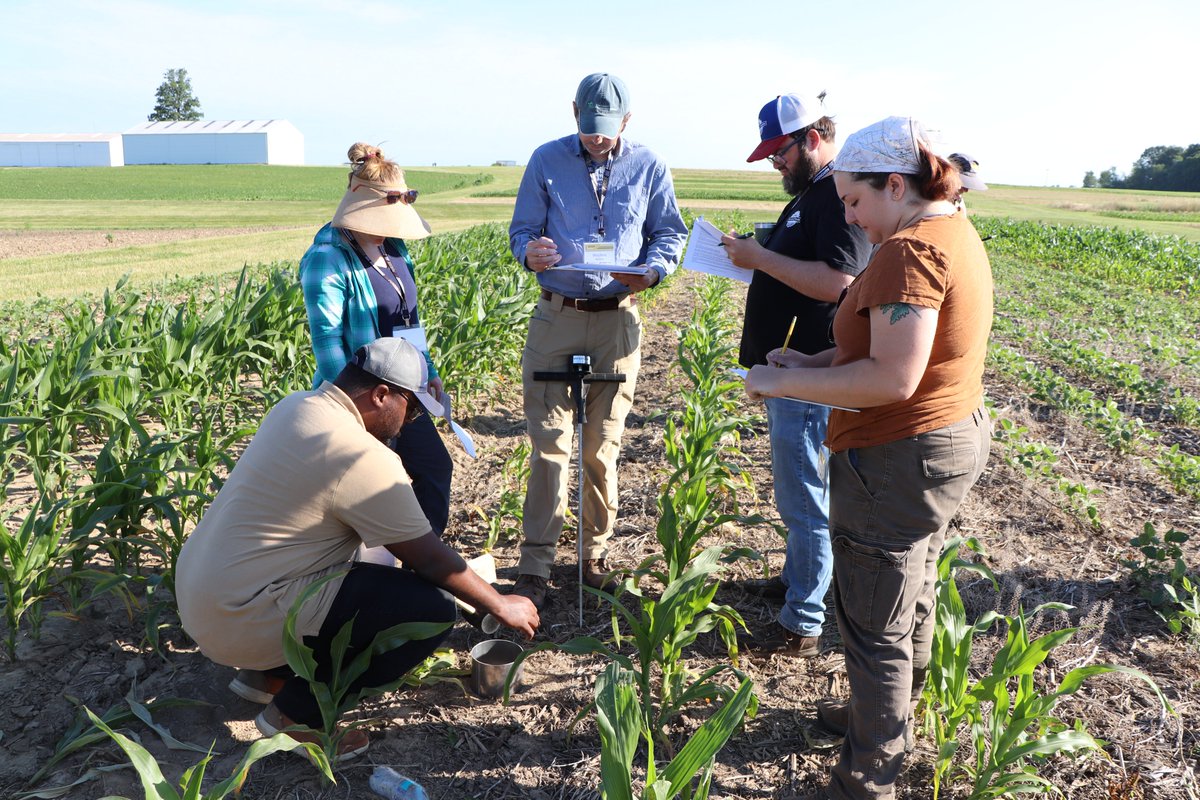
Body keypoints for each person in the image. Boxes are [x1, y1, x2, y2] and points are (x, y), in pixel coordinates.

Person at [745, 116, 993, 800]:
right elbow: (888, 348)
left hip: (898, 455)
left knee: (873, 624)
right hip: (945, 438)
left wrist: (780, 380)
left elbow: (891, 380)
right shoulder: (953, 229)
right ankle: (877, 724)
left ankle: (866, 778)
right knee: (908, 594)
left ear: (894, 184)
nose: (850, 215)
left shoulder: (910, 251)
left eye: (855, 201)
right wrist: (814, 358)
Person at [177, 338, 540, 758]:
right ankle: (296, 715)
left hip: (204, 598)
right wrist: (500, 603)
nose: (410, 421)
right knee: (430, 611)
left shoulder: (297, 406)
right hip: (241, 617)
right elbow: (428, 559)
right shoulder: (361, 456)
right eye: (414, 408)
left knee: (357, 567)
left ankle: (267, 676)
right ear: (381, 394)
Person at [507, 72, 687, 609]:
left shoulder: (649, 165)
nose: (596, 139)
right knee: (548, 447)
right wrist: (529, 252)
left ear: (627, 121)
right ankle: (536, 563)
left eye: (606, 130)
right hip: (556, 314)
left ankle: (594, 555)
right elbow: (522, 230)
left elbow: (668, 233)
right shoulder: (546, 159)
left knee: (600, 446)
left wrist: (653, 271)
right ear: (574, 115)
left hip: (617, 318)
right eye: (588, 129)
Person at [721, 92, 871, 657]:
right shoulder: (814, 192)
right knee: (797, 494)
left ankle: (803, 620)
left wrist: (759, 258)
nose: (773, 163)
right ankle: (795, 582)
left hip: (813, 371)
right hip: (795, 370)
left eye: (778, 152)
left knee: (805, 498)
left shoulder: (834, 193)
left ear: (810, 138)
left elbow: (840, 282)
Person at [299, 142, 453, 541]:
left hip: (404, 391)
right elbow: (328, 342)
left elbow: (409, 320)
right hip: (363, 400)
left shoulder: (394, 248)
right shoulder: (327, 258)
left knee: (434, 467)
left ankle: (423, 564)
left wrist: (428, 373)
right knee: (373, 492)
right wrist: (353, 408)